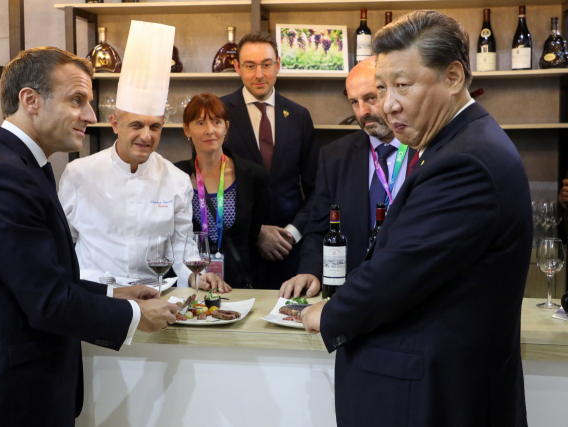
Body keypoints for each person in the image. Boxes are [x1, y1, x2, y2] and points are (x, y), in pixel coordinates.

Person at [302, 11, 532, 427]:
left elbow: (398, 271)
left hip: (435, 397)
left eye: (403, 86)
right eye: (382, 88)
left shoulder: (466, 160)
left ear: (453, 77)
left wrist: (328, 315)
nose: (388, 105)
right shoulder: (458, 143)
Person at [0, 46, 178, 427]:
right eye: (77, 100)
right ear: (30, 100)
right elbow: (48, 301)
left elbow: (37, 278)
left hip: (23, 388)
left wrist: (112, 293)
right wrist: (135, 314)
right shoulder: (1, 176)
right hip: (5, 396)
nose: (89, 114)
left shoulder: (22, 167)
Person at [58, 22, 226, 292]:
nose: (146, 136)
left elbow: (183, 247)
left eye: (155, 127)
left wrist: (197, 276)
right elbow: (62, 243)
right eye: (136, 125)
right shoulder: (79, 173)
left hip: (154, 295)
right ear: (115, 124)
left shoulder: (176, 180)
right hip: (96, 296)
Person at [279, 57, 416, 299]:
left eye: (370, 98)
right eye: (354, 102)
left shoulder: (428, 150)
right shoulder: (333, 157)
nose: (363, 111)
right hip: (351, 294)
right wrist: (311, 272)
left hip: (412, 291)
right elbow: (319, 229)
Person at [220, 31, 320, 289]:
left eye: (266, 64)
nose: (259, 74)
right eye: (250, 66)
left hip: (289, 251)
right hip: (237, 250)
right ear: (237, 67)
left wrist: (291, 234)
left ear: (278, 64)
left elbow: (317, 188)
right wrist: (257, 232)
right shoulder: (218, 114)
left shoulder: (299, 116)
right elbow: (208, 188)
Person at [175, 93, 270, 289]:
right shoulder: (175, 176)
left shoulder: (253, 176)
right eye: (200, 123)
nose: (210, 130)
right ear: (186, 129)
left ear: (226, 127)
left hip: (240, 285)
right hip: (191, 285)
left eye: (216, 122)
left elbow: (254, 233)